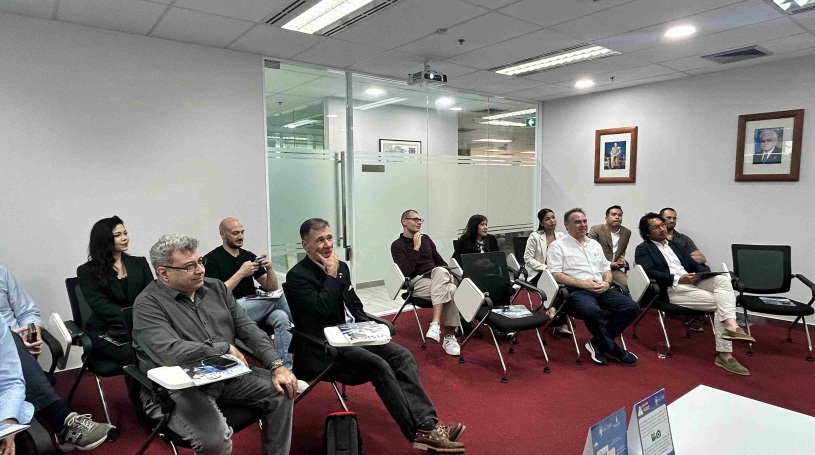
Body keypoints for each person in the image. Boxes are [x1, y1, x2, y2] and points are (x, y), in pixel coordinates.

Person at [286, 219, 465, 453]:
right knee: (379, 366)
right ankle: (421, 433)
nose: (328, 244)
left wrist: (371, 326)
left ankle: (427, 424)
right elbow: (322, 312)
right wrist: (330, 275)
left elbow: (354, 304)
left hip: (357, 336)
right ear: (306, 245)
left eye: (329, 238)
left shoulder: (342, 267)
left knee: (402, 355)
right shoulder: (298, 276)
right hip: (325, 346)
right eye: (320, 240)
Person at [132, 235, 295, 455]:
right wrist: (222, 348)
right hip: (181, 388)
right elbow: (169, 352)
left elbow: (248, 329)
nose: (200, 270)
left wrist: (277, 365)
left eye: (200, 262)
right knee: (215, 441)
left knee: (282, 389)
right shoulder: (147, 304)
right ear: (163, 273)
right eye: (189, 266)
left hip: (225, 375)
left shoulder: (216, 288)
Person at [1, 265, 114, 452]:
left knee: (12, 342)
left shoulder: (2, 273)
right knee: (11, 340)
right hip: (8, 353)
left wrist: (32, 332)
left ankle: (60, 421)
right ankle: (61, 420)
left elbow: (27, 312)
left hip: (16, 354)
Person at [635, 213, 755, 376]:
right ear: (647, 232)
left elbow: (692, 263)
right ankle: (725, 355)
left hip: (692, 281)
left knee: (722, 280)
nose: (662, 229)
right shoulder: (643, 249)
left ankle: (731, 326)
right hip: (672, 288)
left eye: (662, 225)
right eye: (656, 227)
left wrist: (704, 273)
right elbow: (649, 272)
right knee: (722, 304)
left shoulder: (675, 245)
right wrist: (678, 278)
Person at [204, 218, 304, 392]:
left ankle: (286, 371)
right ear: (222, 234)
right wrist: (241, 273)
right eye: (235, 233)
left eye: (242, 232)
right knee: (281, 299)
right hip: (230, 310)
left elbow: (271, 287)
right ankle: (308, 330)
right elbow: (215, 296)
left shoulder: (248, 256)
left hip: (254, 306)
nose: (240, 236)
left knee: (281, 316)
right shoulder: (212, 259)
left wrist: (270, 269)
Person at [77, 216, 153, 417]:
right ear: (104, 239)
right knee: (134, 353)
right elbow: (100, 306)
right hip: (106, 333)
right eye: (117, 235)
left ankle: (165, 400)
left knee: (161, 346)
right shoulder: (87, 271)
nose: (124, 238)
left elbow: (150, 296)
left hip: (140, 327)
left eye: (125, 233)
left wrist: (143, 320)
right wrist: (134, 319)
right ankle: (143, 408)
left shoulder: (139, 263)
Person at [546, 208, 640, 366]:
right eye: (578, 222)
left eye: (584, 221)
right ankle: (613, 349)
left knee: (632, 308)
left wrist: (607, 282)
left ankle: (597, 343)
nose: (583, 225)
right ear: (567, 225)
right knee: (592, 311)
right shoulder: (557, 246)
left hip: (601, 288)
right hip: (576, 290)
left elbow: (606, 269)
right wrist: (583, 283)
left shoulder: (594, 244)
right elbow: (555, 274)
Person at [391, 210, 461, 356]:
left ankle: (436, 326)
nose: (419, 222)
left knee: (442, 273)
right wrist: (416, 248)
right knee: (451, 290)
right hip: (417, 282)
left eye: (420, 220)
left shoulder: (427, 239)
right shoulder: (397, 245)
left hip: (436, 278)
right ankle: (449, 336)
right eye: (415, 219)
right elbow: (406, 272)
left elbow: (439, 260)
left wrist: (448, 271)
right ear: (404, 221)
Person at [659, 207, 710, 332]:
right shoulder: (656, 239)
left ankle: (695, 313)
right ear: (661, 220)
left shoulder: (683, 239)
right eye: (668, 218)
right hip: (670, 276)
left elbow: (701, 258)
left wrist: (682, 260)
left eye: (674, 218)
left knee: (706, 270)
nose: (672, 220)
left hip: (688, 272)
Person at [523, 209, 569, 334]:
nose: (552, 221)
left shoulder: (561, 236)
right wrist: (546, 268)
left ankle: (553, 310)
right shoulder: (535, 236)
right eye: (547, 219)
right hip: (538, 272)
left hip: (557, 272)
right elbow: (528, 259)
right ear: (541, 222)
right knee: (556, 286)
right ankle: (560, 320)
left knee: (565, 288)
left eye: (553, 217)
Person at [588, 205, 631, 294]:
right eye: (614, 214)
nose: (617, 217)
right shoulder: (596, 229)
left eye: (620, 215)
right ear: (606, 218)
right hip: (597, 268)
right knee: (600, 288)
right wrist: (610, 264)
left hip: (614, 270)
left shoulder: (626, 232)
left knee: (632, 286)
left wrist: (621, 257)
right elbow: (590, 252)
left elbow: (622, 249)